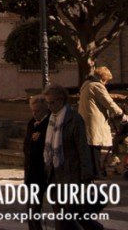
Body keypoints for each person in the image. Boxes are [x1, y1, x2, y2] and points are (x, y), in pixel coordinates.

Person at [43, 83, 93, 227]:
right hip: (54, 174)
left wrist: (86, 173)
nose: (50, 106)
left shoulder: (74, 119)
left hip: (71, 174)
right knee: (60, 214)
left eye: (53, 102)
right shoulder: (51, 120)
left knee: (73, 214)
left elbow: (82, 147)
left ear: (61, 100)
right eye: (48, 103)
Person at [78, 66, 127, 177]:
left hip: (88, 119)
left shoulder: (86, 85)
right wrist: (121, 114)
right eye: (107, 80)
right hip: (94, 121)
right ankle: (96, 172)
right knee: (95, 146)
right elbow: (108, 102)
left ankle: (94, 171)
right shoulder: (97, 86)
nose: (106, 83)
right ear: (102, 77)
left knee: (92, 147)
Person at [23, 94, 49, 230]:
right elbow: (26, 145)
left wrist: (40, 137)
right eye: (33, 110)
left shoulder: (48, 123)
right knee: (32, 209)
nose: (35, 114)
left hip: (43, 171)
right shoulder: (31, 123)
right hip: (31, 171)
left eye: (38, 111)